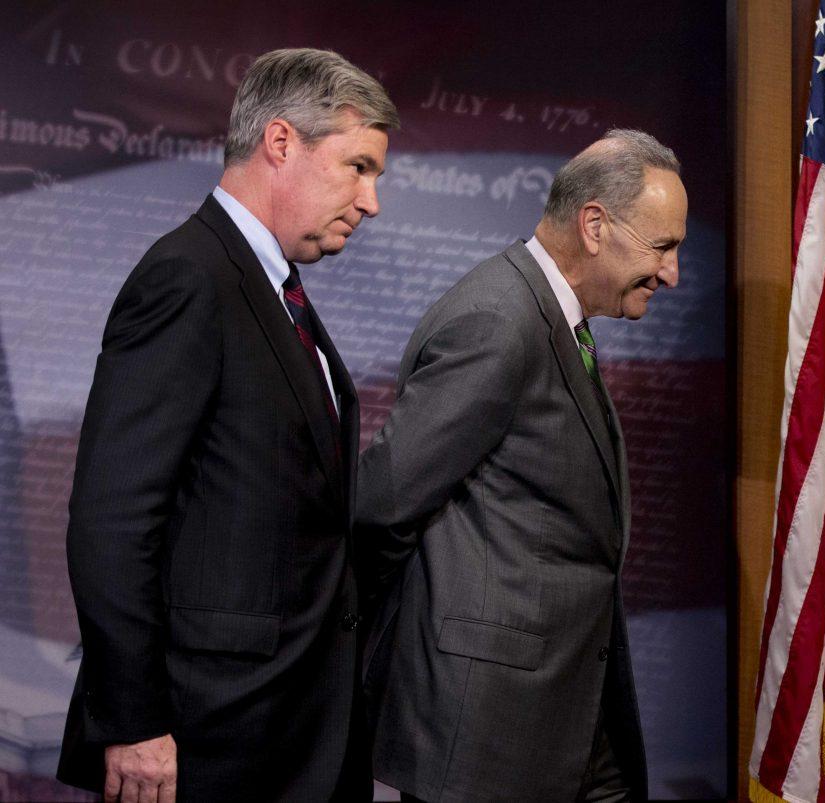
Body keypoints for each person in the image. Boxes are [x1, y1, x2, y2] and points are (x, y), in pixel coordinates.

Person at [57, 48, 399, 802]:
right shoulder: (189, 277)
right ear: (282, 143)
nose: (371, 201)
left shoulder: (274, 289)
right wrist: (133, 720)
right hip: (207, 741)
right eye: (359, 167)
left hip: (295, 732)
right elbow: (112, 520)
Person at [356, 129, 687, 802]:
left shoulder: (555, 316)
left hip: (564, 712)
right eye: (662, 246)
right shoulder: (497, 320)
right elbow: (384, 502)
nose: (672, 273)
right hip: (490, 732)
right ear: (594, 224)